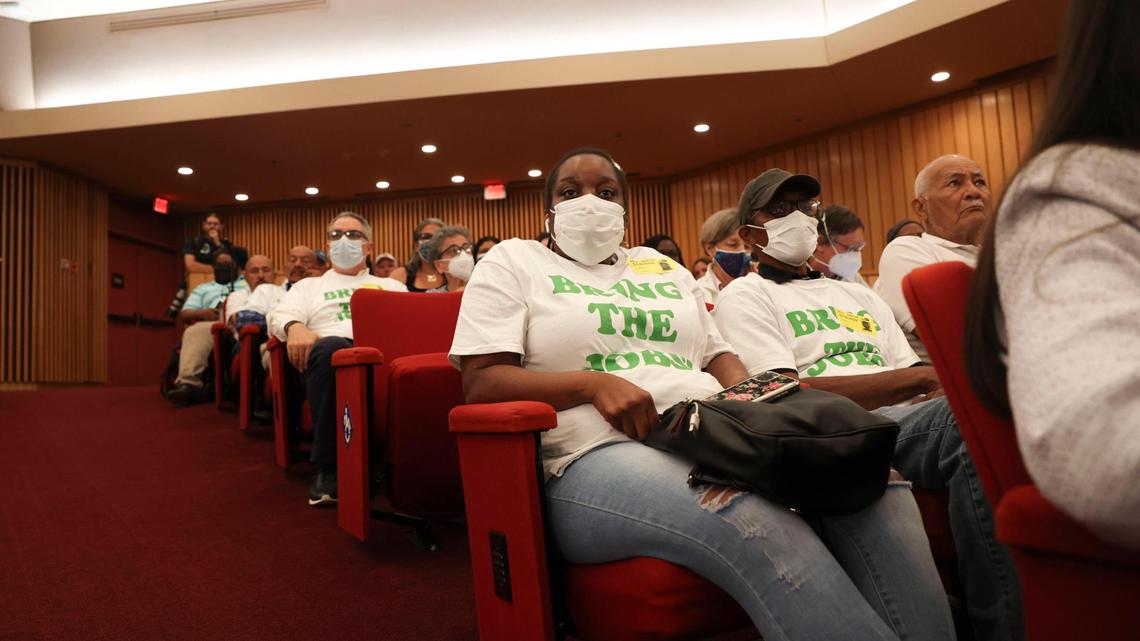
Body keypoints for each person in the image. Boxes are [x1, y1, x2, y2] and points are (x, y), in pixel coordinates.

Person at [449, 147, 953, 641]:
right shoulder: (514, 260)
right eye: (571, 191)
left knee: (872, 480)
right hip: (594, 451)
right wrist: (591, 383)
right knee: (753, 517)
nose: (590, 201)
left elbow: (718, 357)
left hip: (709, 428)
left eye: (605, 191)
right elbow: (482, 381)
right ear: (550, 211)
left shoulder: (659, 267)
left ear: (622, 209)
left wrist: (775, 410)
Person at [713, 168, 1023, 641]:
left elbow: (915, 386)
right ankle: (1004, 629)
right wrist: (920, 379)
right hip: (837, 428)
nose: (797, 217)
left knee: (988, 407)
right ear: (749, 233)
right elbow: (782, 394)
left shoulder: (854, 293)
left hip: (905, 419)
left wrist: (929, 384)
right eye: (779, 210)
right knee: (968, 420)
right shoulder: (746, 294)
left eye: (806, 208)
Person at [965, 0, 1140, 550]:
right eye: (955, 185)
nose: (975, 190)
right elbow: (1105, 447)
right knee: (937, 431)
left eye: (977, 178)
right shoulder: (1072, 194)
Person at [268, 212, 407, 506]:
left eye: (353, 235)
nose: (344, 240)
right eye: (336, 235)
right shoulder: (309, 286)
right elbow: (279, 315)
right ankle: (330, 467)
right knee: (331, 347)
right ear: (328, 247)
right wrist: (296, 327)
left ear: (368, 247)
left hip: (384, 360)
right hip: (328, 359)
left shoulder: (393, 287)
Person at [873, 155, 992, 361]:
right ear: (921, 208)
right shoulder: (907, 250)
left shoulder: (1000, 255)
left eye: (979, 182)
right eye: (955, 183)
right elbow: (960, 340)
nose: (974, 192)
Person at [166, 249, 250, 405]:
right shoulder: (202, 289)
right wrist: (203, 313)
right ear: (213, 267)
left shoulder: (247, 284)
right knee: (194, 330)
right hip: (212, 325)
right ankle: (189, 385)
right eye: (220, 264)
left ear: (237, 266)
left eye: (228, 263)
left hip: (240, 323)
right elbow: (184, 314)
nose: (224, 266)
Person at [694, 207, 750, 306]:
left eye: (747, 246)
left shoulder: (763, 283)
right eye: (733, 245)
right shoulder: (697, 292)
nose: (742, 251)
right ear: (710, 248)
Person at [811, 204, 869, 286]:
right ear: (819, 243)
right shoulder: (801, 280)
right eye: (850, 248)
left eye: (859, 247)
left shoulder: (853, 278)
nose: (856, 254)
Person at [388, 217, 445, 292]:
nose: (432, 242)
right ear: (416, 245)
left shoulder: (454, 276)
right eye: (426, 237)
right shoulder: (400, 276)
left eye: (438, 237)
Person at [421, 225, 474, 291]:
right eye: (453, 250)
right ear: (439, 265)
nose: (463, 254)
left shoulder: (486, 290)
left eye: (466, 248)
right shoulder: (432, 296)